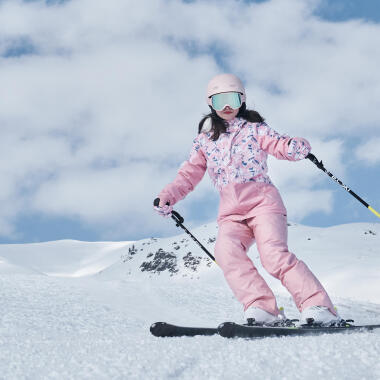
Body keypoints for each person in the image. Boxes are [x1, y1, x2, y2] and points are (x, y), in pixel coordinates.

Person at [154, 73, 341, 326]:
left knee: (273, 256)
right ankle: (261, 307)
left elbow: (278, 144)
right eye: (220, 101)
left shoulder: (255, 130)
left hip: (263, 204)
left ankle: (317, 306)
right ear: (211, 104)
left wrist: (294, 146)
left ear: (242, 100)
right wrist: (168, 196)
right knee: (226, 251)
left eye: (232, 98)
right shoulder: (204, 142)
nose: (227, 106)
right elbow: (188, 175)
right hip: (231, 212)